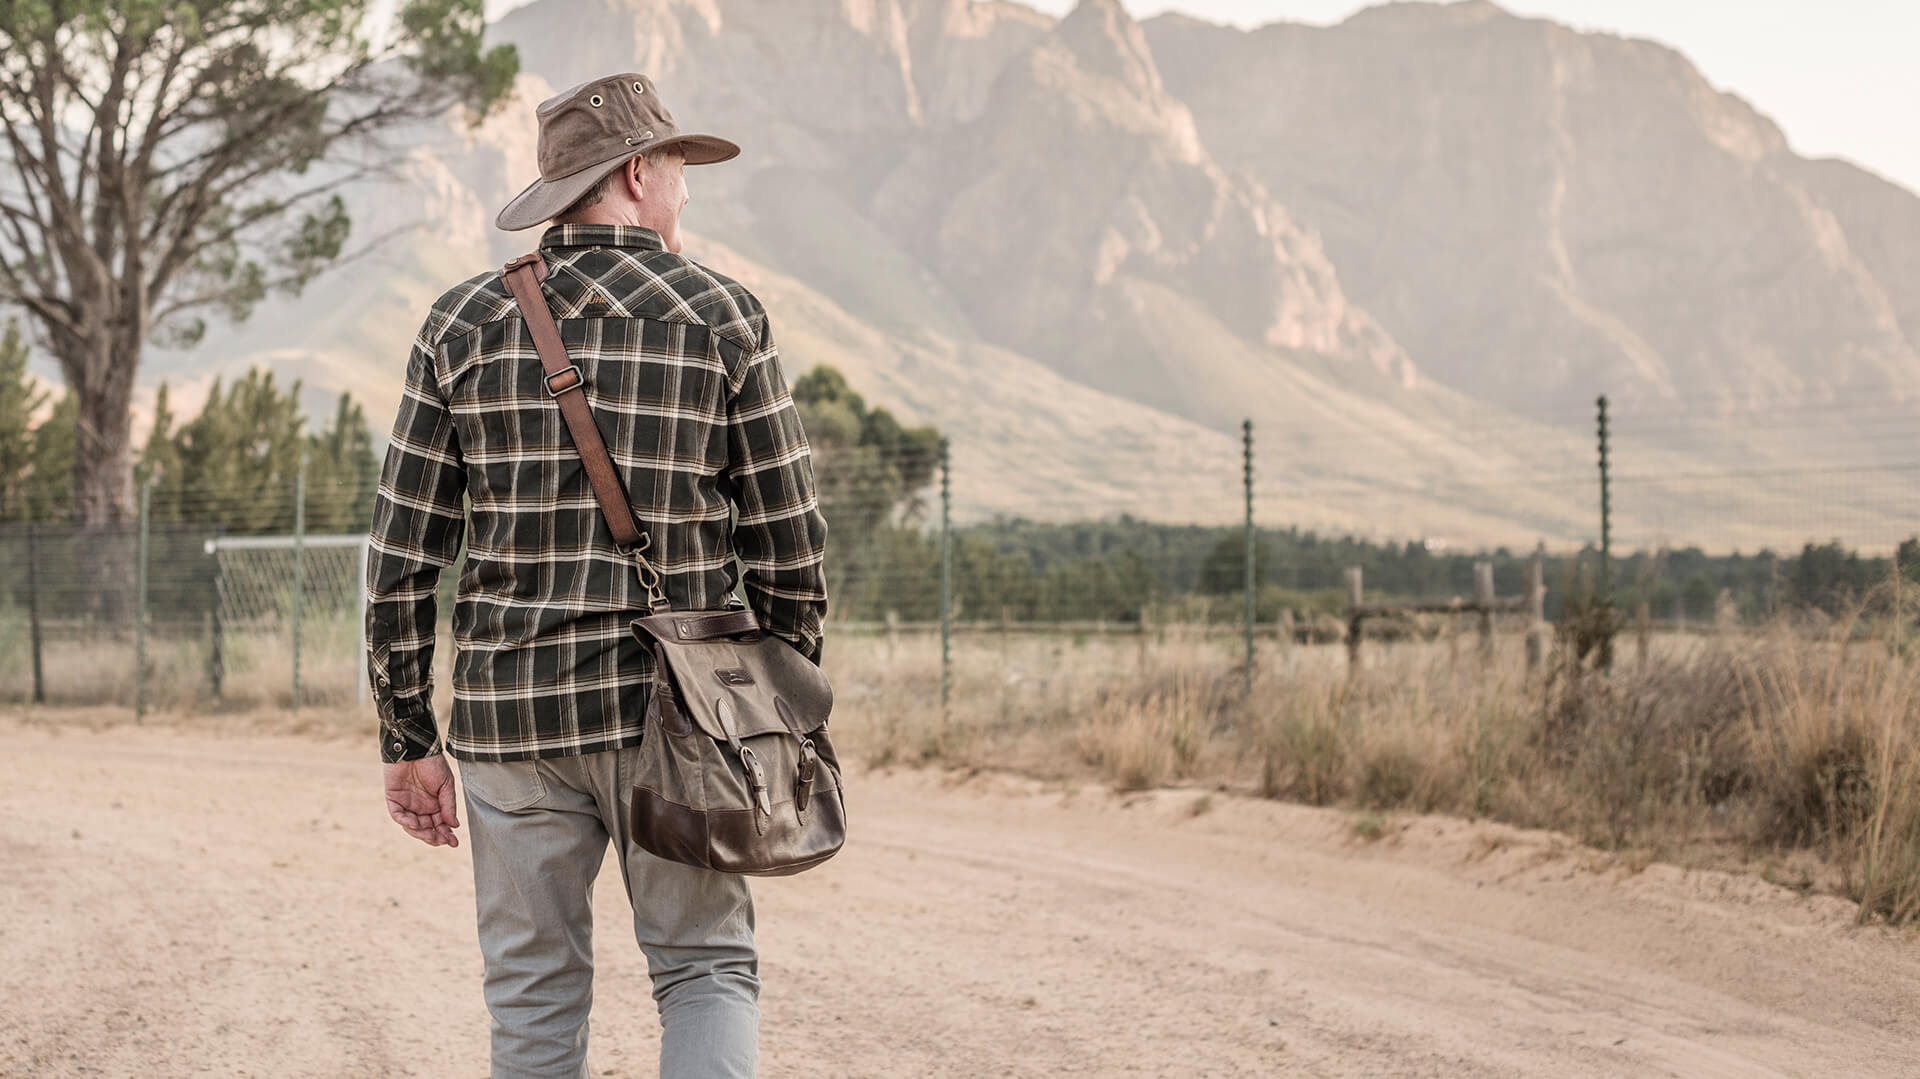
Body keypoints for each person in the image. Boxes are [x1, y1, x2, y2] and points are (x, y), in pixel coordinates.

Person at [365, 71, 828, 1079]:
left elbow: (403, 558)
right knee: (705, 965)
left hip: (512, 717)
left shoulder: (462, 323)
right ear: (634, 174)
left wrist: (408, 734)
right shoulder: (724, 316)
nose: (686, 193)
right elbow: (790, 543)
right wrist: (783, 705)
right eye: (676, 168)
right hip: (687, 717)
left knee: (534, 989)